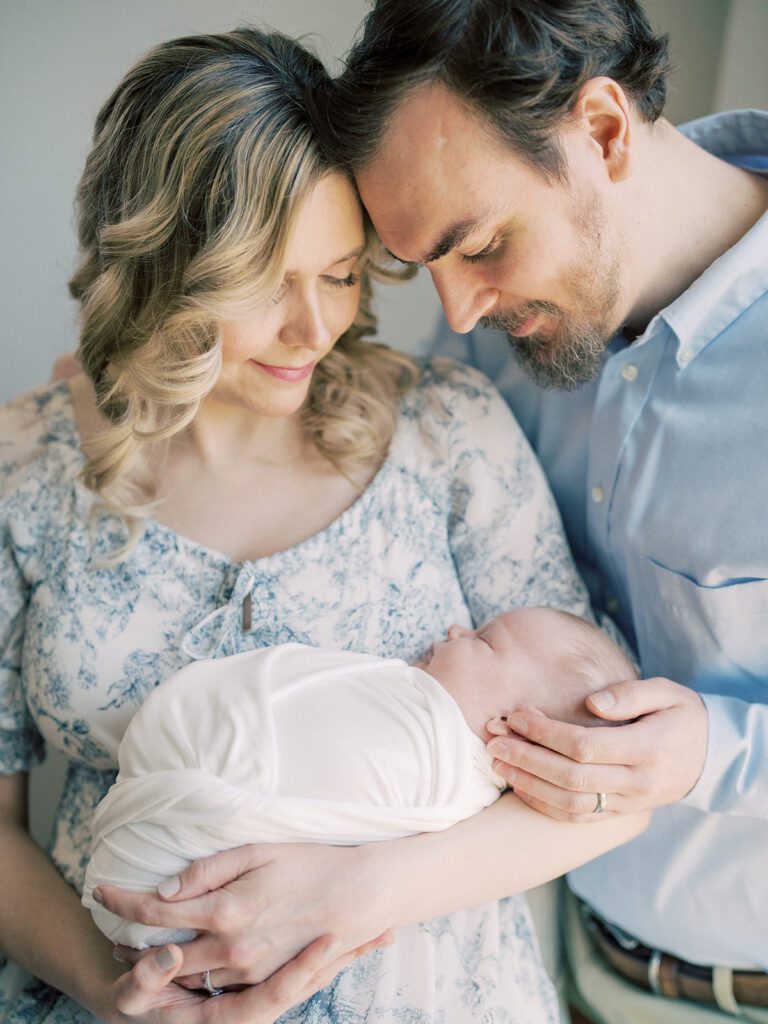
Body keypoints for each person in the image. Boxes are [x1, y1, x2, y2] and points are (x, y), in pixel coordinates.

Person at [0, 25, 649, 1024]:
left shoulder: (447, 431)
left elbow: (602, 781)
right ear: (164, 260)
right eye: (267, 281)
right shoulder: (25, 472)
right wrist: (110, 983)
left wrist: (362, 894)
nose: (316, 327)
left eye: (342, 272)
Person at [330, 1, 768, 1022]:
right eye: (423, 266)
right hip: (563, 959)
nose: (458, 309)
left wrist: (715, 749)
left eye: (477, 244)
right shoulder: (504, 337)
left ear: (605, 131)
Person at [82, 607, 636, 952]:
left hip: (165, 883)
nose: (455, 628)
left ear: (513, 729)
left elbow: (624, 803)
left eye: (483, 640)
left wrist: (361, 886)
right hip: (131, 929)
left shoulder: (437, 759)